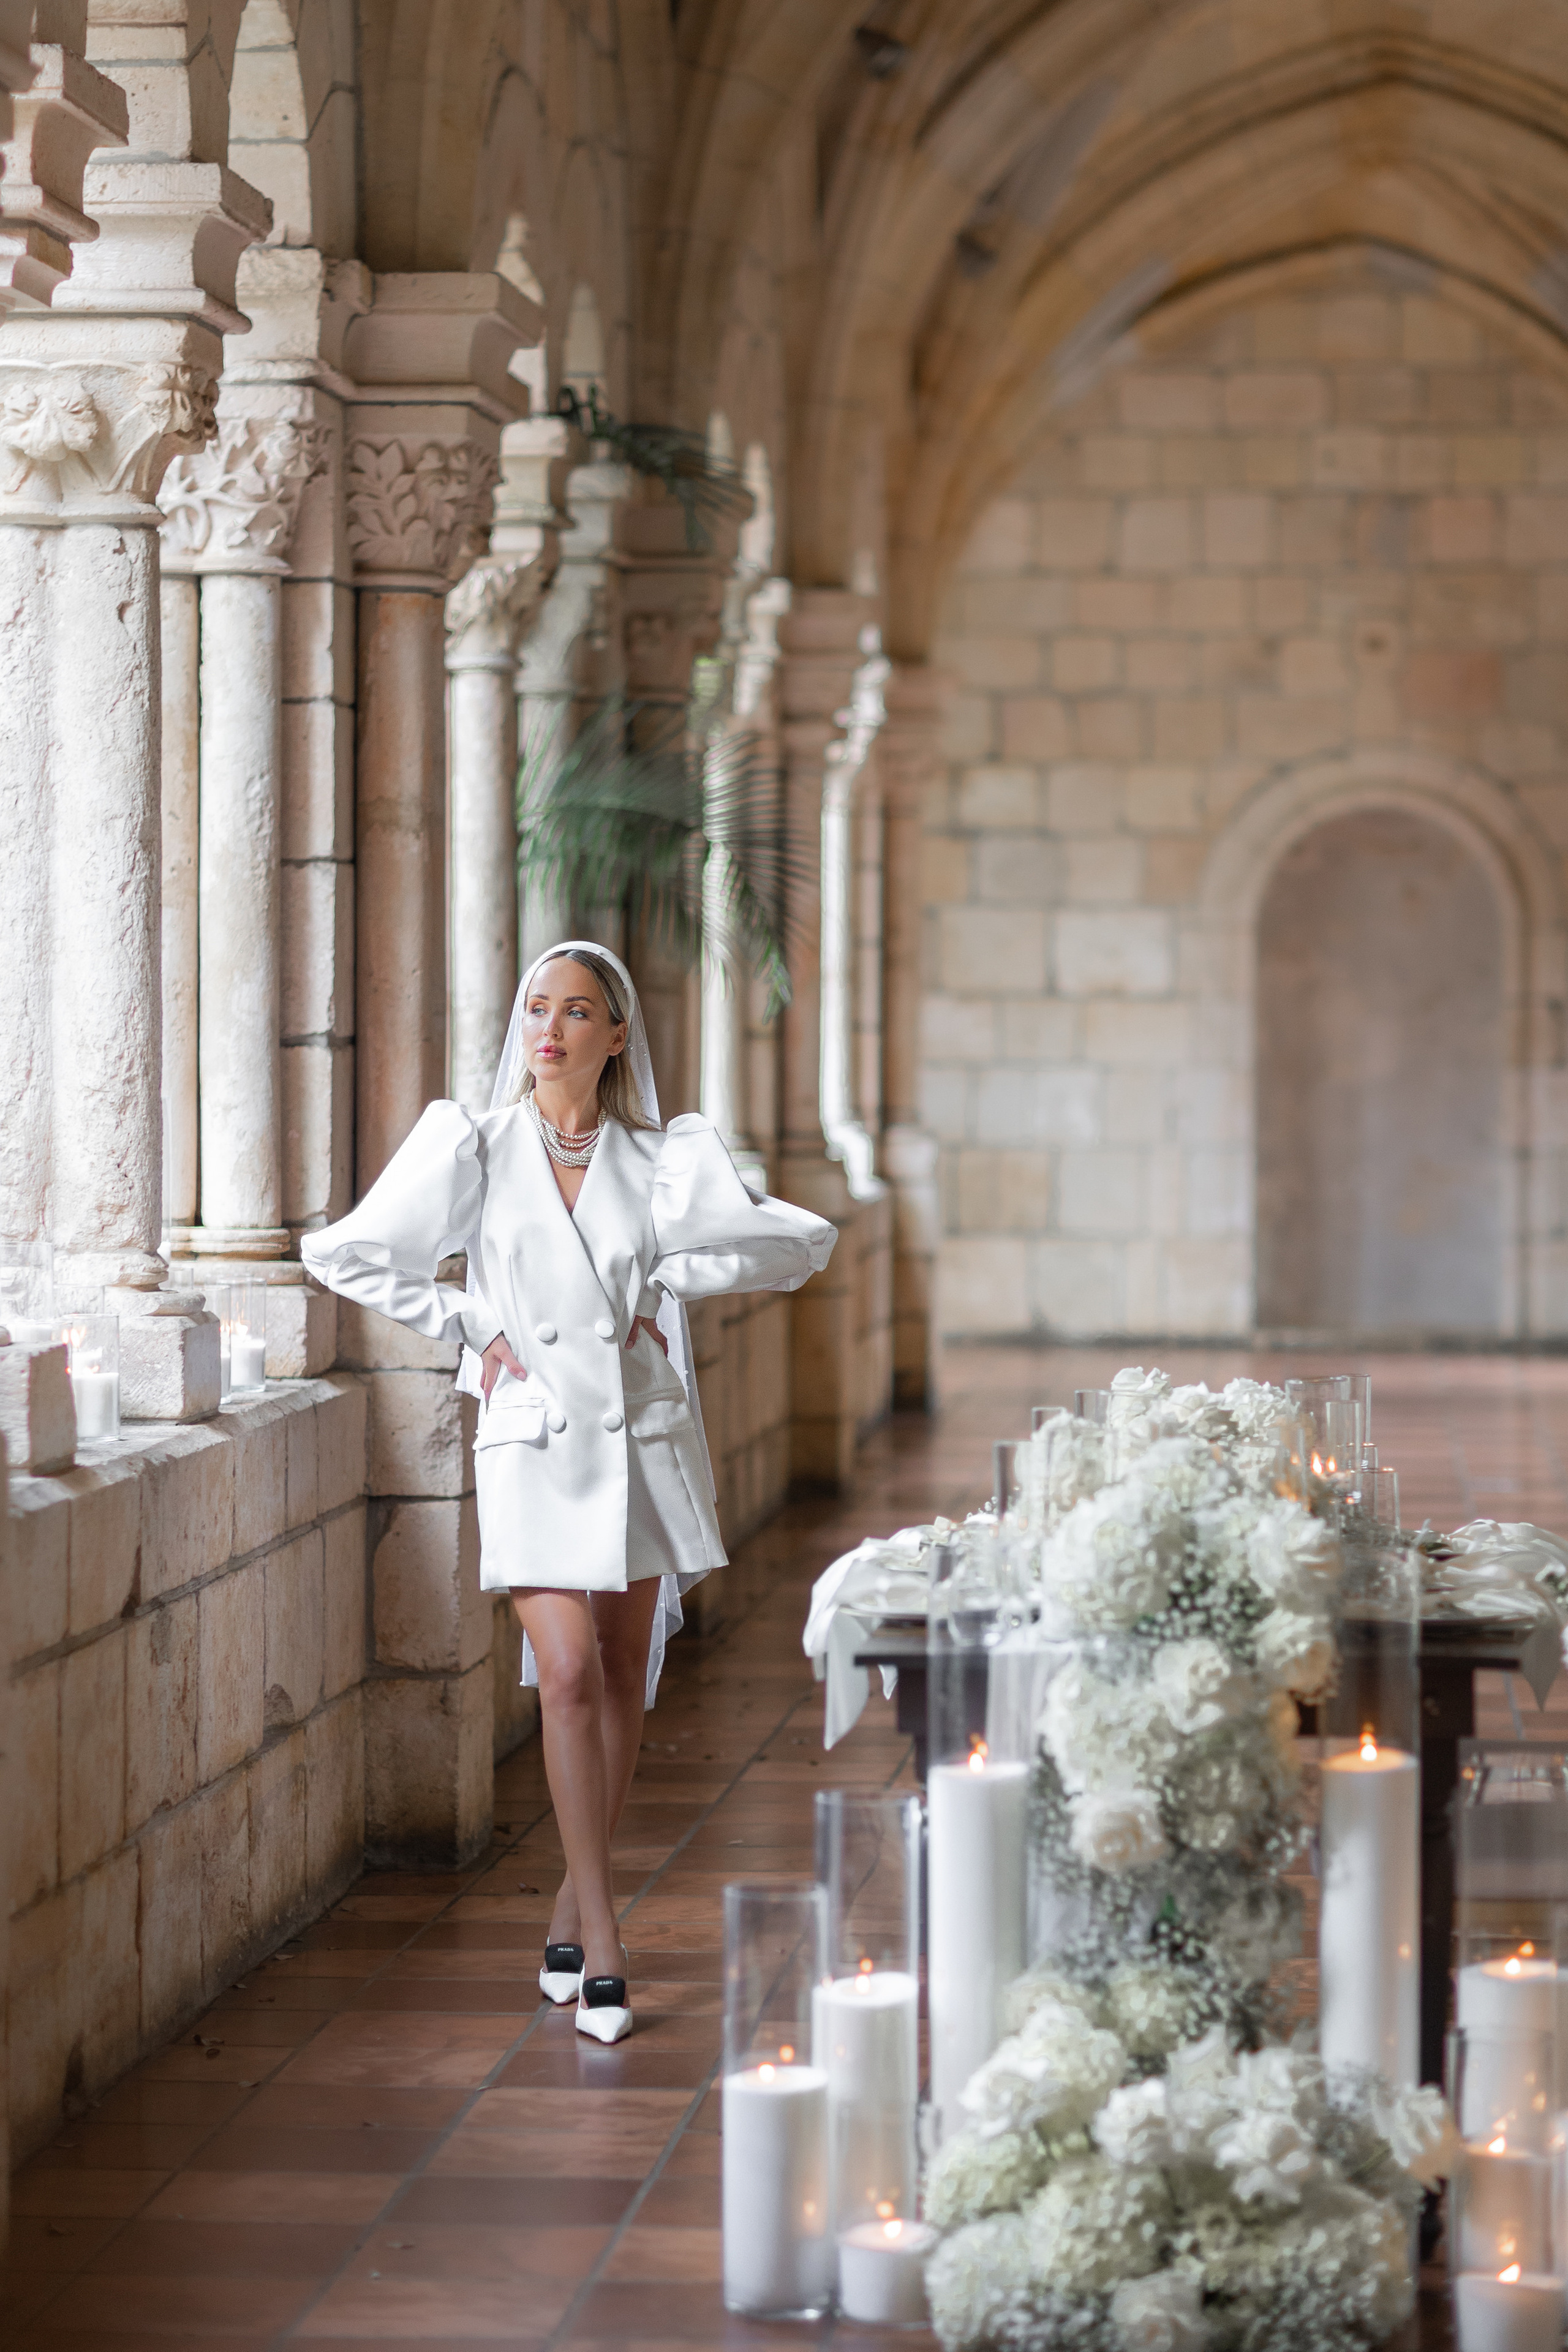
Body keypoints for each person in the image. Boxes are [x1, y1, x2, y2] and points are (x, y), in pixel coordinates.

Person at [301, 941, 836, 2043]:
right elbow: (348, 1254)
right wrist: (476, 1327)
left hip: (639, 1436)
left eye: (578, 1010)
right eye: (537, 1007)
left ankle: (567, 1900)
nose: (549, 1028)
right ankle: (604, 1935)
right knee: (569, 1670)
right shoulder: (476, 1145)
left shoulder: (661, 1159)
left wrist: (670, 1280)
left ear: (617, 1033)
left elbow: (792, 1246)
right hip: (534, 1437)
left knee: (626, 1675)